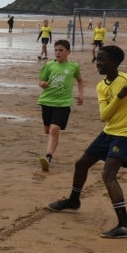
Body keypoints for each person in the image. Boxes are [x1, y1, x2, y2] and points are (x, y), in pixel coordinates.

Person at [47, 44, 127, 238]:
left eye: (102, 60)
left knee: (108, 174)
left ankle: (125, 225)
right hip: (108, 132)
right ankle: (74, 201)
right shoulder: (101, 86)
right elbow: (105, 116)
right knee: (81, 164)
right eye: (97, 59)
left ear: (115, 62)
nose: (98, 63)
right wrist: (118, 98)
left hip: (126, 134)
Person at [37, 39, 84, 171]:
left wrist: (81, 95)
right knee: (47, 130)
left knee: (54, 130)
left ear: (68, 52)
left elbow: (80, 80)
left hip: (63, 103)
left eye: (61, 50)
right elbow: (41, 80)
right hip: (47, 101)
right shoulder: (49, 65)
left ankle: (48, 157)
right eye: (56, 50)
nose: (58, 53)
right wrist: (43, 84)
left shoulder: (73, 67)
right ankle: (50, 149)